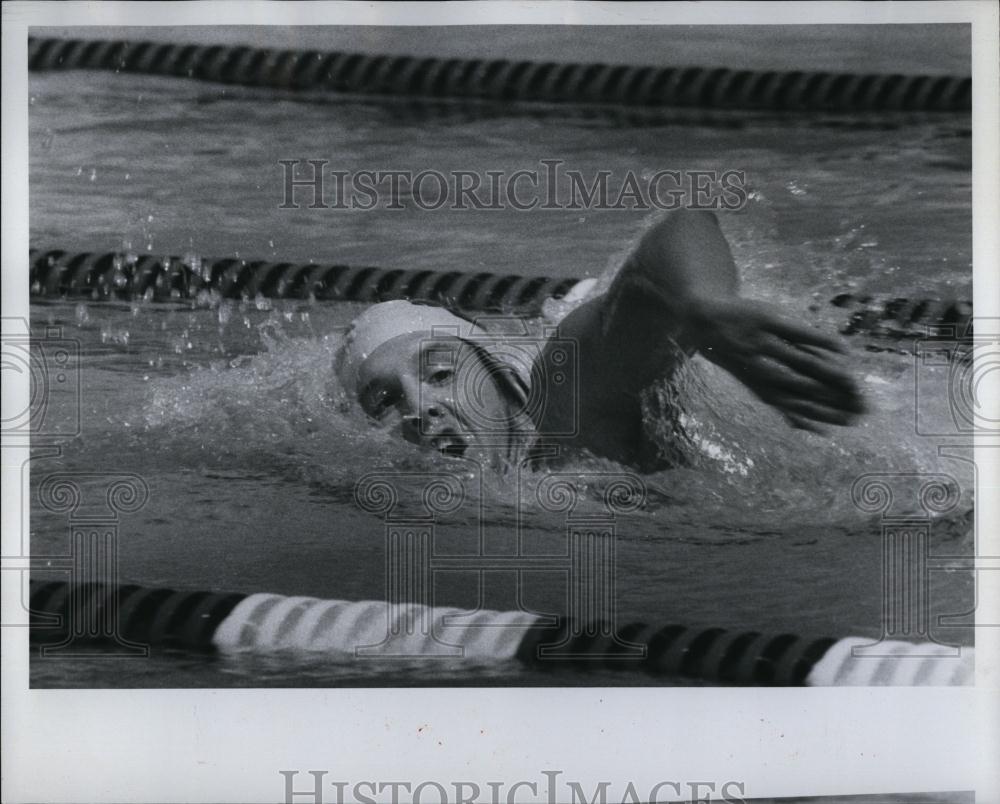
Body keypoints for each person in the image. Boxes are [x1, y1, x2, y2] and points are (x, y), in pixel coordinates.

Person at [334, 211, 865, 472]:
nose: (419, 408)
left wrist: (700, 306)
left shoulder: (560, 403)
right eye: (384, 401)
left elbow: (680, 230)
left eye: (441, 373)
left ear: (494, 371)